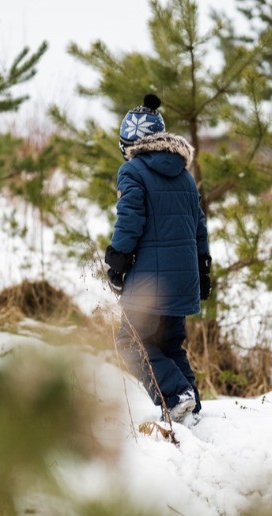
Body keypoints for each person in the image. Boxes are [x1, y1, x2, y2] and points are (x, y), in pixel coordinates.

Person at [105, 93, 212, 424]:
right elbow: (199, 228)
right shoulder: (185, 176)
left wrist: (117, 261)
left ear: (129, 142)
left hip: (150, 283)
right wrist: (203, 271)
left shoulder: (132, 171)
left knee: (131, 342)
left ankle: (177, 395)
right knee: (169, 345)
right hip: (183, 281)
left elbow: (130, 220)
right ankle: (190, 405)